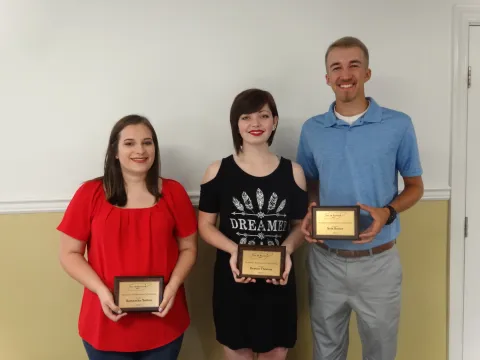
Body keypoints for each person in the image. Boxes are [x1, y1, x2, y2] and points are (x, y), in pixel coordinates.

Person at [296, 36, 424, 360]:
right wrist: (311, 208)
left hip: (378, 263)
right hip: (326, 261)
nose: (345, 74)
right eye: (336, 67)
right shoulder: (312, 130)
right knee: (327, 352)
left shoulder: (398, 124)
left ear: (367, 73)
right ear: (327, 78)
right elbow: (310, 183)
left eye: (354, 65)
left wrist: (387, 213)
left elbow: (414, 186)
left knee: (380, 352)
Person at [57, 115, 198, 360]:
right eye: (129, 143)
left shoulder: (174, 193)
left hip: (164, 320)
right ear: (114, 150)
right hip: (106, 321)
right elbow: (69, 254)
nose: (140, 150)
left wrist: (173, 287)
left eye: (147, 142)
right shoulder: (89, 194)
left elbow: (189, 248)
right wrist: (101, 291)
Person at [198, 88, 308, 360]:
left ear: (275, 122)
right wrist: (235, 251)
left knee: (276, 352)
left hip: (278, 281)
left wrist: (285, 252)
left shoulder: (294, 172)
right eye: (246, 117)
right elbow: (205, 226)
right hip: (233, 281)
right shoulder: (217, 171)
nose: (255, 124)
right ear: (236, 124)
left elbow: (299, 226)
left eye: (264, 116)